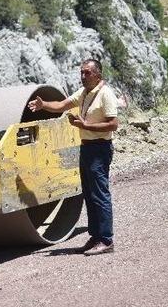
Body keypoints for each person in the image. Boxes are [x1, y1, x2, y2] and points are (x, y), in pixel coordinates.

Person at [27, 59, 119, 256]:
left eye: (87, 73)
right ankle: (95, 237)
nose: (83, 76)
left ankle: (106, 240)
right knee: (89, 193)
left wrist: (85, 126)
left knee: (100, 194)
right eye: (82, 73)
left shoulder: (106, 94)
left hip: (99, 149)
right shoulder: (84, 93)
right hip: (86, 148)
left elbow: (113, 124)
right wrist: (44, 105)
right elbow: (61, 105)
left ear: (98, 75)